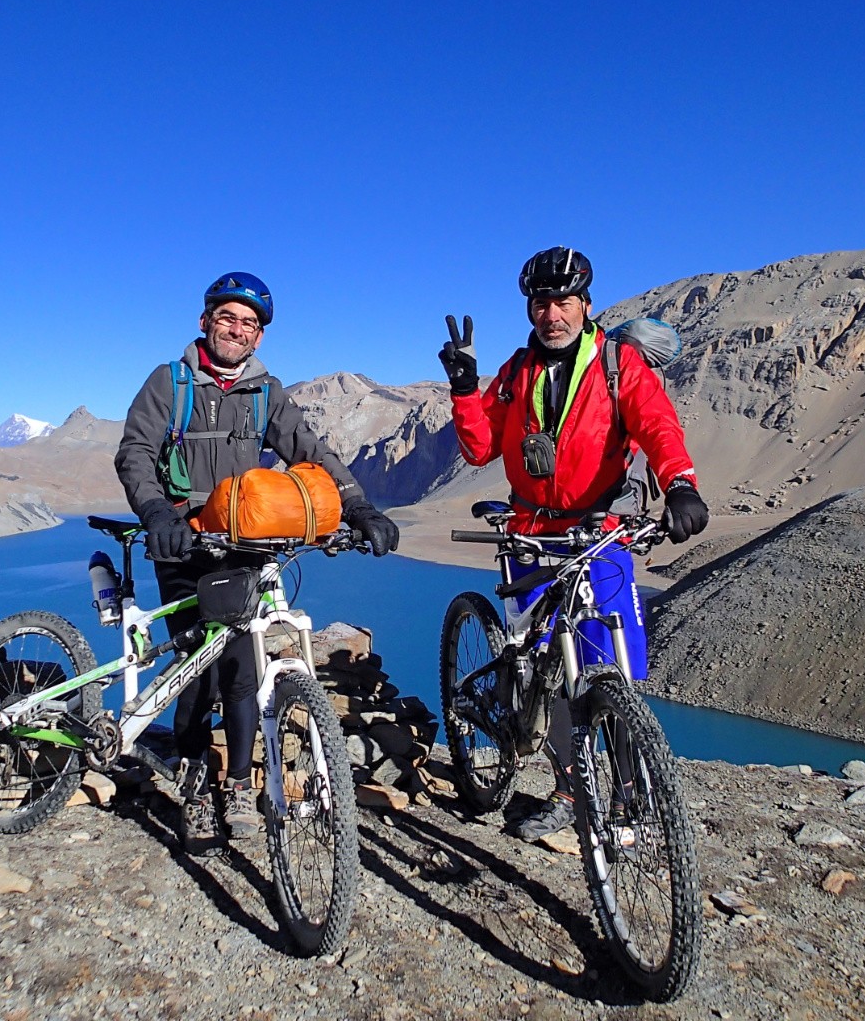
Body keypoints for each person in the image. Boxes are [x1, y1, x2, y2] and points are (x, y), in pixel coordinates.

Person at [115, 271, 400, 851]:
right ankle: (196, 785)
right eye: (227, 318)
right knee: (196, 669)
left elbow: (311, 453)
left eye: (249, 323)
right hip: (185, 543)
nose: (237, 330)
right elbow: (136, 452)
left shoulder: (266, 392)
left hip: (244, 544)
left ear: (260, 336)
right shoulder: (170, 382)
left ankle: (240, 785)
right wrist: (158, 513)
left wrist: (357, 506)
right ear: (205, 322)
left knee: (243, 670)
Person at [438, 246, 708, 840]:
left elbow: (657, 425)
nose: (552, 314)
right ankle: (567, 791)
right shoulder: (516, 372)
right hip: (530, 535)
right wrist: (464, 389)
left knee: (613, 666)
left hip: (598, 533)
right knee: (546, 668)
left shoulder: (617, 363)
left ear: (586, 304)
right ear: (530, 309)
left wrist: (681, 484)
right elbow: (479, 450)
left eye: (563, 301)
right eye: (542, 303)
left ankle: (629, 792)